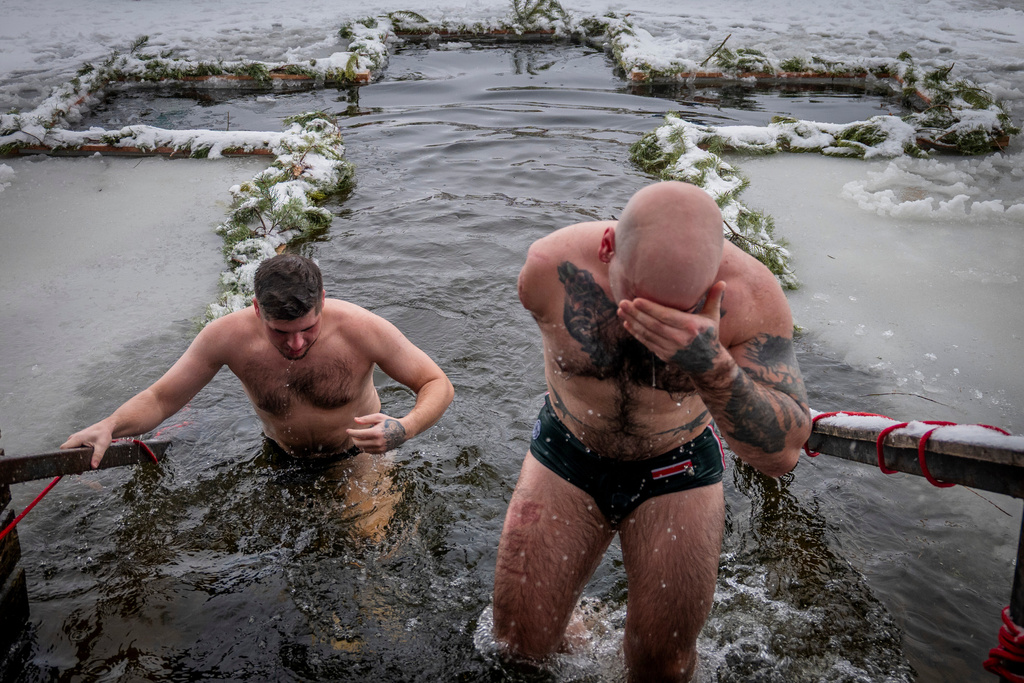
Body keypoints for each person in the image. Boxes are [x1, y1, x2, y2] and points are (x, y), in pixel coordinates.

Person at [492, 181, 811, 681]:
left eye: (678, 309)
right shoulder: (548, 269)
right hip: (569, 452)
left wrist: (711, 365)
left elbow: (782, 455)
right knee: (517, 646)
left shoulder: (751, 295)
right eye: (639, 300)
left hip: (677, 464)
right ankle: (581, 628)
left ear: (713, 280)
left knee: (662, 668)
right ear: (607, 247)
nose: (653, 322)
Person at [63, 252, 454, 470]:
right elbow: (162, 399)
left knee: (370, 551)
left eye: (308, 328)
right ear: (256, 310)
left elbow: (437, 383)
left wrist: (403, 427)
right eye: (280, 333)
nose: (297, 344)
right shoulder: (226, 337)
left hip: (355, 458)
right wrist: (110, 425)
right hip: (278, 457)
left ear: (322, 302)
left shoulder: (362, 329)